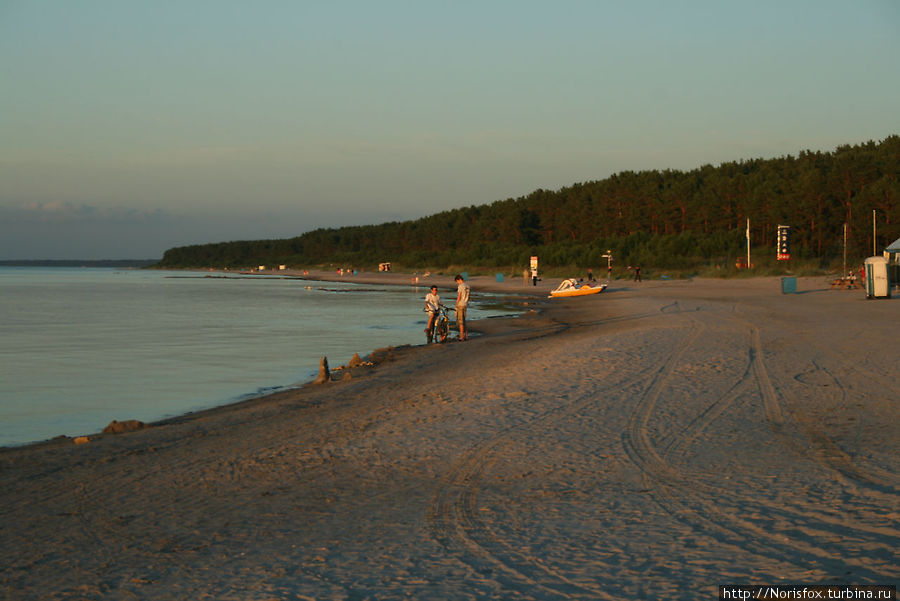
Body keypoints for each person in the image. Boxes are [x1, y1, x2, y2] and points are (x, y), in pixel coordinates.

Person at [454, 275, 470, 341]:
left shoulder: (461, 286)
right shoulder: (468, 286)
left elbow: (459, 296)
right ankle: (466, 335)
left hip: (460, 304)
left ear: (459, 279)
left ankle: (461, 337)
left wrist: (456, 304)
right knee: (464, 320)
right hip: (465, 304)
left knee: (460, 321)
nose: (457, 283)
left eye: (457, 281)